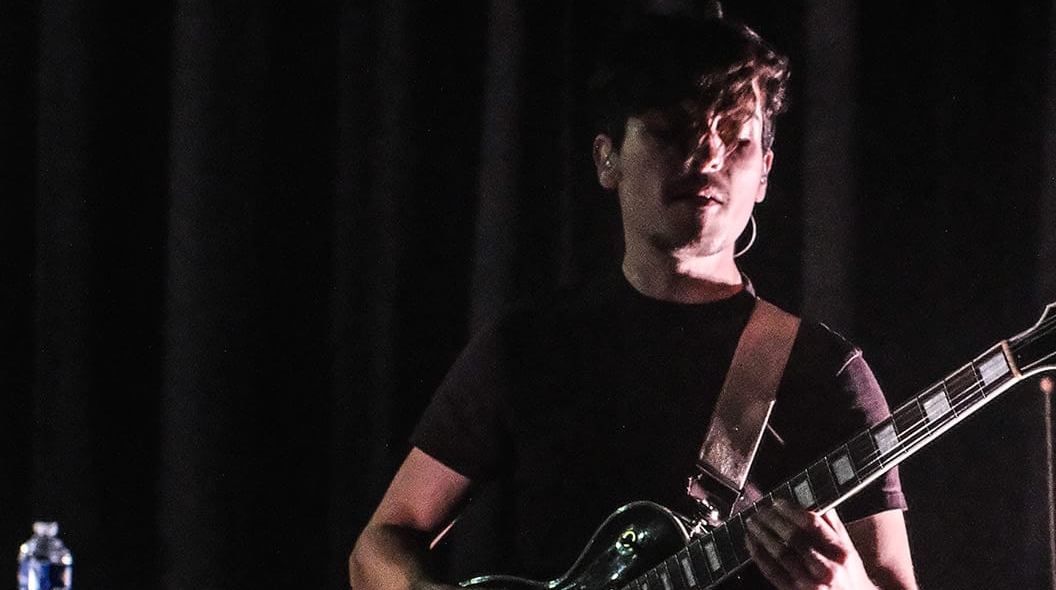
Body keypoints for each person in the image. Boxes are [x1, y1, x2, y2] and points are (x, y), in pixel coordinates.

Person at [347, 12, 917, 590]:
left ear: (765, 175)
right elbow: (380, 544)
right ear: (606, 159)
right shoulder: (529, 346)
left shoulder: (825, 372)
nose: (708, 157)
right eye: (673, 130)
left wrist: (847, 587)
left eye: (737, 139)